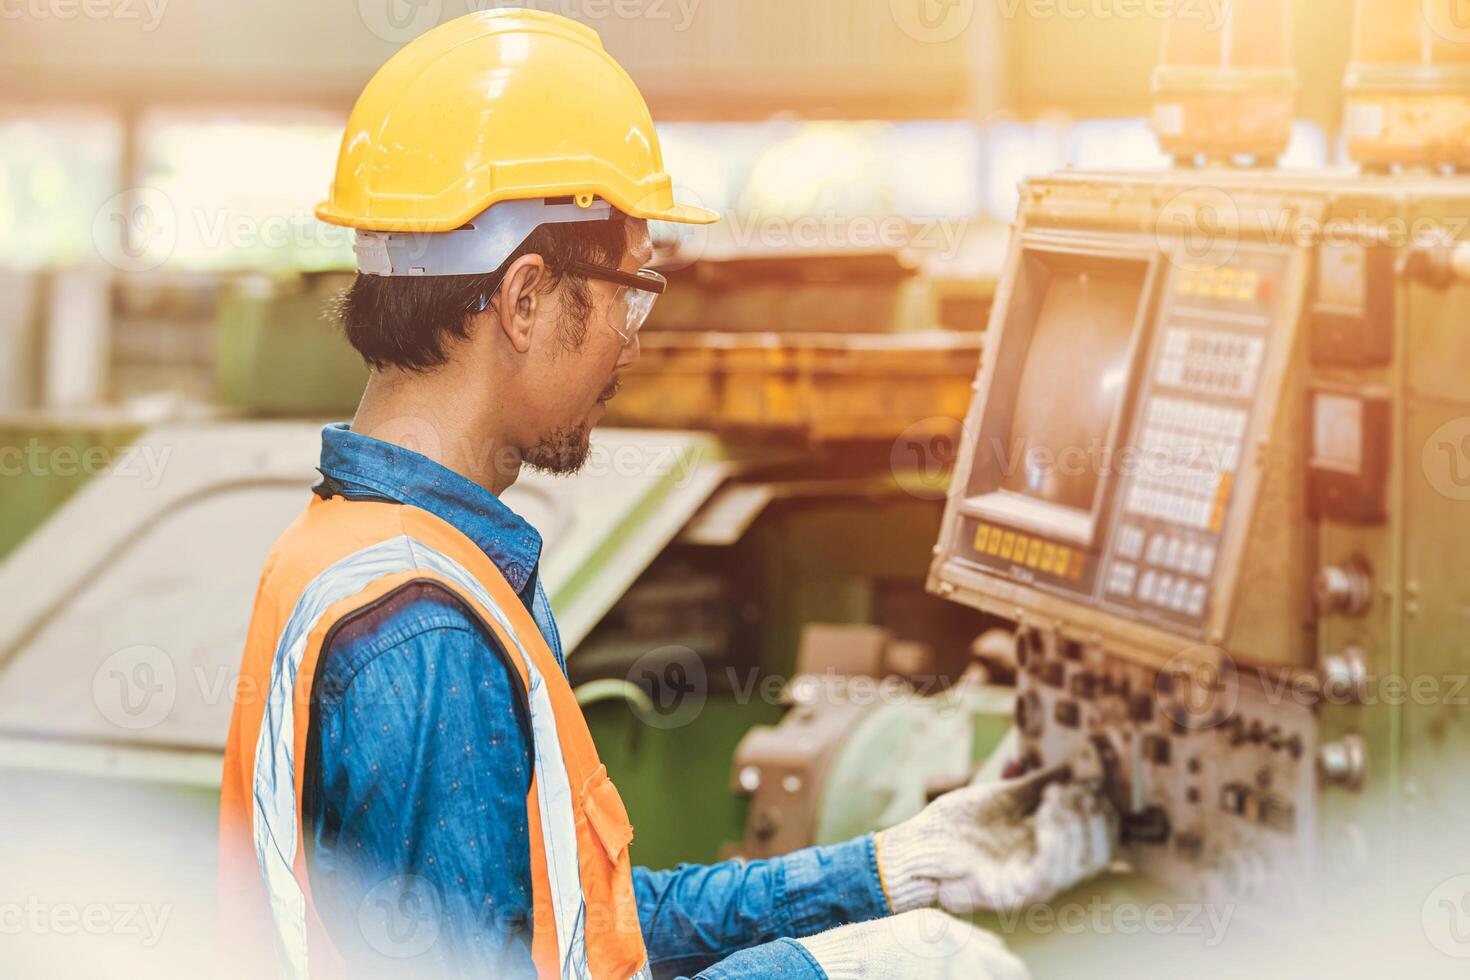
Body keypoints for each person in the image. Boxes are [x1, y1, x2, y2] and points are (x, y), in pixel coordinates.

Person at [218, 10, 1115, 979]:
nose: (632, 341)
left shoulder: (356, 549)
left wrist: (887, 871)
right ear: (525, 300)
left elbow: (575, 926)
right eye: (628, 295)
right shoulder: (424, 627)